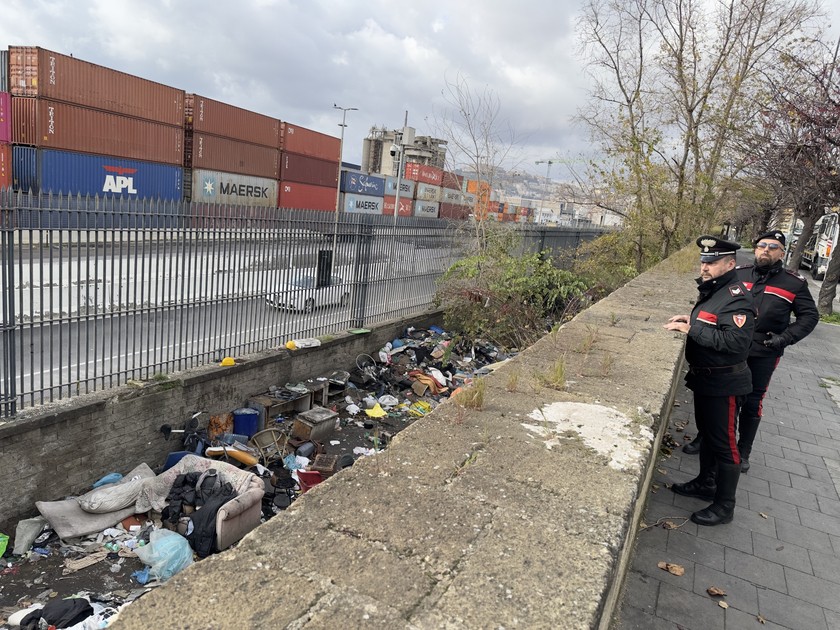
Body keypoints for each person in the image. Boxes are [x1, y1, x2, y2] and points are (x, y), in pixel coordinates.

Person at [681, 231, 818, 472]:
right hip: (730, 351)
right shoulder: (739, 274)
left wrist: (785, 338)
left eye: (773, 247)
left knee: (752, 402)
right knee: (719, 400)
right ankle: (706, 438)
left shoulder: (794, 283)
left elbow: (809, 317)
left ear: (782, 253)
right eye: (762, 245)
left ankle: (743, 451)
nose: (766, 250)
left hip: (763, 350)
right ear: (755, 249)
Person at [664, 236, 756, 526]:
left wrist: (692, 330)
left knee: (725, 444)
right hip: (707, 380)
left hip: (725, 384)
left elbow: (736, 341)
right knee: (707, 435)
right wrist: (692, 322)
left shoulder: (736, 296)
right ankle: (706, 483)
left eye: (712, 262)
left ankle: (725, 506)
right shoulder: (716, 290)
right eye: (704, 262)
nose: (705, 267)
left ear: (731, 264)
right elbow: (713, 321)